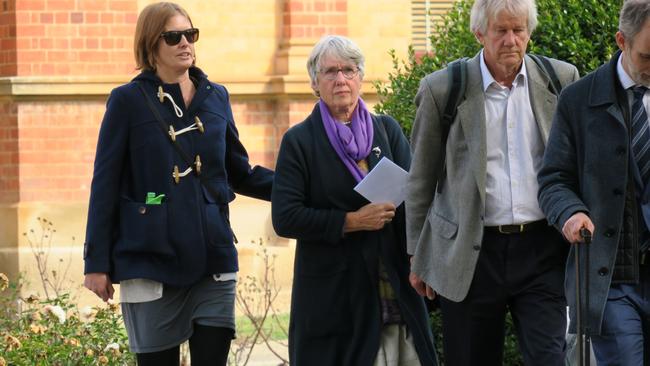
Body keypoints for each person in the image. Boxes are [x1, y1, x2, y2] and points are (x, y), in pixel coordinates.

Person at [82, 2, 273, 365]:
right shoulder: (126, 101)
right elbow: (104, 183)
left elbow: (238, 171)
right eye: (173, 37)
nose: (185, 43)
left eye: (190, 34)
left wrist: (302, 186)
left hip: (212, 252)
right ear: (151, 45)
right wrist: (96, 262)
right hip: (149, 255)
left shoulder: (216, 97)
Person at [406, 0, 580, 364]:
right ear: (479, 33)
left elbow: (578, 164)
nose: (511, 40)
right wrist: (417, 256)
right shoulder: (443, 90)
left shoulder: (561, 80)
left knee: (550, 357)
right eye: (501, 30)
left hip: (542, 249)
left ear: (529, 32)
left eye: (519, 30)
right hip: (472, 252)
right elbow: (421, 180)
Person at [271, 35, 437, 366]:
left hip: (393, 284)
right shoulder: (300, 141)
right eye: (330, 72)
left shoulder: (386, 131)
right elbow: (286, 217)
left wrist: (422, 259)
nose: (341, 79)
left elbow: (415, 202)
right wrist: (351, 221)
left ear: (360, 77)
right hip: (335, 296)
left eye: (349, 70)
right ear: (316, 83)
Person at [538, 1, 650, 364]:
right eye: (647, 56)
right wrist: (570, 212)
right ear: (621, 40)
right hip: (611, 277)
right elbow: (554, 178)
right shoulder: (577, 100)